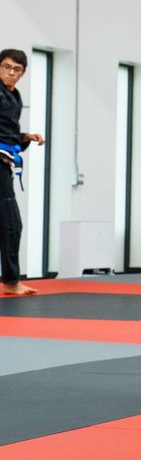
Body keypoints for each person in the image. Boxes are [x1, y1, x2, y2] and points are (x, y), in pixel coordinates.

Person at [0, 49, 45, 295]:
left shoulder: (14, 96)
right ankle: (10, 281)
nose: (11, 73)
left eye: (17, 70)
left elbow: (7, 133)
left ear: (23, 73)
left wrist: (24, 137)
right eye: (6, 67)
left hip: (5, 161)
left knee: (9, 223)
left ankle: (10, 280)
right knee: (11, 222)